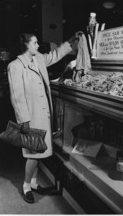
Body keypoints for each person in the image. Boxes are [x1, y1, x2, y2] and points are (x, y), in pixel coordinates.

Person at [7, 32, 80, 204]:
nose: (38, 46)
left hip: (43, 114)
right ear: (26, 45)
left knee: (39, 153)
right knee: (33, 155)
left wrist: (71, 41)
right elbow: (16, 97)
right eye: (35, 43)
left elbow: (55, 55)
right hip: (30, 118)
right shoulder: (16, 66)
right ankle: (26, 186)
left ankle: (33, 183)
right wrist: (24, 121)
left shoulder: (38, 58)